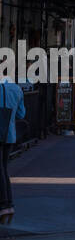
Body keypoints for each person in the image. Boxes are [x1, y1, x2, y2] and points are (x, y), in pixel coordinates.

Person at [0, 77, 24, 225]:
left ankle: (4, 205)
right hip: (9, 135)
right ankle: (8, 205)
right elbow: (21, 115)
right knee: (4, 168)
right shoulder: (16, 89)